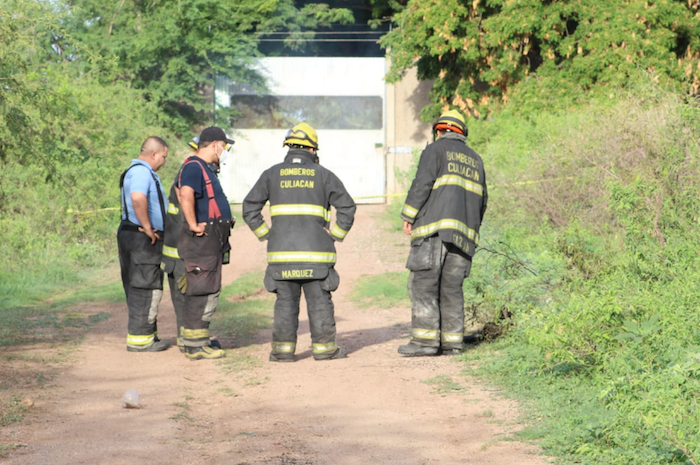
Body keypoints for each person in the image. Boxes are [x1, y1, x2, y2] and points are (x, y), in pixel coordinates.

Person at [242, 122, 356, 362]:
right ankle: (325, 350)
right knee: (320, 303)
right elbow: (347, 206)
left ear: (288, 147)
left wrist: (266, 234)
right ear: (312, 150)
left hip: (281, 257)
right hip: (317, 257)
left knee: (285, 304)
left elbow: (249, 207)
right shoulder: (323, 174)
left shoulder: (272, 174)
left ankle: (282, 353)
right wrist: (336, 234)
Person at [398, 109, 488, 356]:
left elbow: (422, 184)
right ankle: (452, 343)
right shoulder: (476, 159)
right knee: (452, 289)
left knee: (424, 285)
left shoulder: (435, 150)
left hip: (434, 232)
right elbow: (482, 202)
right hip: (463, 238)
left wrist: (408, 215)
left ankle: (425, 343)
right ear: (462, 132)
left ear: (439, 130)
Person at [162, 136, 228, 352]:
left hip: (185, 249)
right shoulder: (191, 174)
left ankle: (191, 340)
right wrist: (197, 226)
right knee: (190, 295)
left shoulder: (195, 174)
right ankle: (189, 342)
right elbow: (188, 209)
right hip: (182, 252)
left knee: (192, 294)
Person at [177, 127, 234, 360]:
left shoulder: (206, 169)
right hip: (201, 240)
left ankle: (199, 339)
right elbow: (186, 193)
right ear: (214, 144)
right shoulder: (193, 167)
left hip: (211, 239)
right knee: (201, 289)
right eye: (224, 146)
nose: (225, 151)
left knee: (207, 286)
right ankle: (195, 345)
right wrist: (193, 223)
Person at [118, 136, 170, 352]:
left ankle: (148, 334)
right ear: (154, 154)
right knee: (145, 285)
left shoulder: (138, 171)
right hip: (142, 237)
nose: (164, 162)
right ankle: (140, 341)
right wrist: (148, 227)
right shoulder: (141, 171)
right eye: (164, 157)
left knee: (142, 283)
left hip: (133, 234)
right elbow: (138, 198)